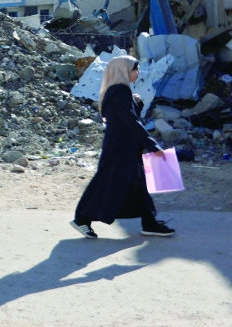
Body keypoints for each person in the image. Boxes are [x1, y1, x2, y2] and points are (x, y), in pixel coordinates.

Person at [72, 55, 174, 239]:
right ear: (123, 71)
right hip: (120, 148)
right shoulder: (120, 92)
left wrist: (136, 104)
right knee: (105, 183)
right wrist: (152, 145)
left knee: (137, 185)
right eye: (135, 69)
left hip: (123, 146)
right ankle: (81, 219)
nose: (138, 73)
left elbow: (126, 117)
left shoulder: (116, 91)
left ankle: (149, 223)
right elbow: (131, 122)